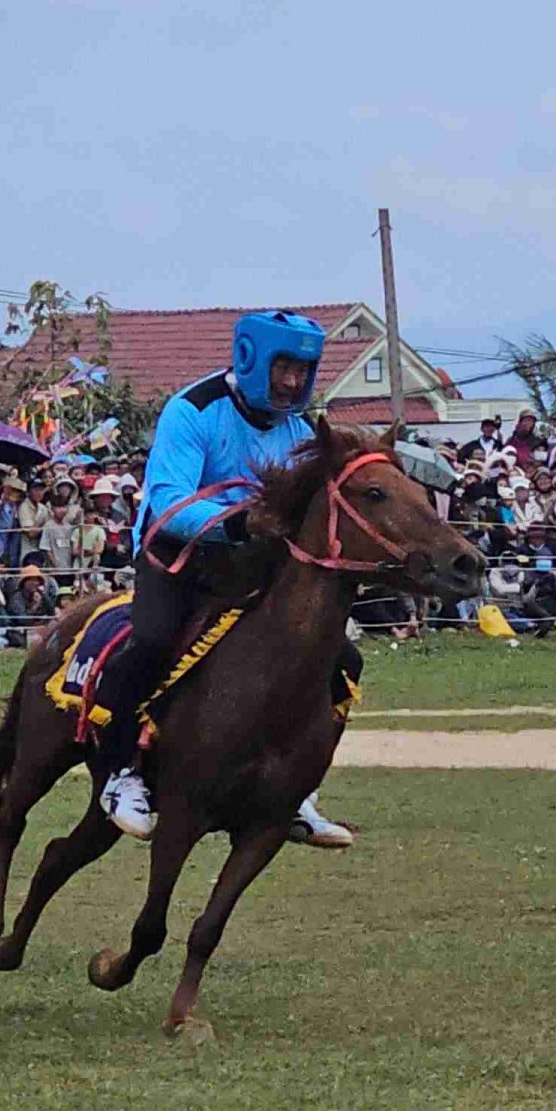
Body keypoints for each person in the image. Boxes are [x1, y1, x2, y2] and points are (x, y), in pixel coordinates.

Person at [89, 311, 355, 848]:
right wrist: (237, 522)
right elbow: (167, 503)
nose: (292, 382)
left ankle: (298, 791)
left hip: (253, 564)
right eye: (283, 368)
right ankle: (122, 773)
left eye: (303, 371)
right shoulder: (193, 410)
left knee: (341, 661)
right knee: (152, 642)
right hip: (178, 556)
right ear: (252, 358)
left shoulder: (300, 430)